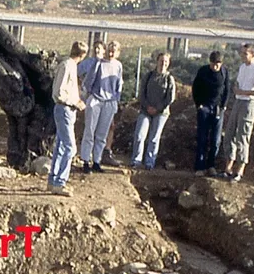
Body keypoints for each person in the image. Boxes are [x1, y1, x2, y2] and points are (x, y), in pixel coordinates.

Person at [220, 43, 254, 182]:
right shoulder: (242, 67)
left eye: (245, 53)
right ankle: (228, 168)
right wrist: (237, 90)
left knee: (243, 136)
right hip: (238, 101)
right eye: (242, 53)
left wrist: (244, 92)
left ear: (253, 54)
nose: (242, 56)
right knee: (229, 134)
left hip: (249, 103)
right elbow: (238, 84)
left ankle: (239, 170)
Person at [47, 41, 87, 196]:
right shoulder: (66, 66)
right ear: (83, 55)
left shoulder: (70, 65)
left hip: (69, 110)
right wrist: (74, 102)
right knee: (71, 147)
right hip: (64, 108)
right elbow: (58, 92)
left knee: (61, 146)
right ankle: (59, 182)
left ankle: (53, 180)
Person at [79, 41, 123, 172]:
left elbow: (119, 85)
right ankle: (86, 160)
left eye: (113, 51)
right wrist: (87, 97)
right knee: (89, 131)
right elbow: (88, 81)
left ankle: (97, 161)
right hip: (96, 100)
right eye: (109, 50)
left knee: (102, 133)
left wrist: (116, 101)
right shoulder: (98, 63)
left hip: (109, 102)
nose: (110, 53)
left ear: (118, 53)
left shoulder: (118, 66)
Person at [131, 50, 177, 170]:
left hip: (161, 113)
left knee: (154, 138)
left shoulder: (169, 79)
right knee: (140, 135)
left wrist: (158, 108)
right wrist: (147, 107)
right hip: (145, 110)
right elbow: (141, 94)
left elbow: (170, 98)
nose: (163, 63)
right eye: (161, 61)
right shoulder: (149, 76)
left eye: (166, 61)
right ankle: (136, 161)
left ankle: (149, 163)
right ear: (157, 61)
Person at [190, 50, 231, 173]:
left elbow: (227, 90)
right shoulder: (203, 71)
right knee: (202, 138)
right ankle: (200, 167)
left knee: (215, 140)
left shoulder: (224, 73)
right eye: (213, 64)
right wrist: (199, 105)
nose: (215, 66)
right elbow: (195, 88)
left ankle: (211, 165)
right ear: (210, 63)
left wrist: (223, 106)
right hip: (204, 108)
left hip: (218, 109)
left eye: (218, 64)